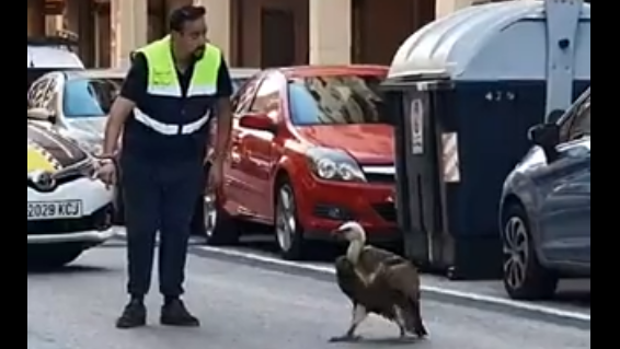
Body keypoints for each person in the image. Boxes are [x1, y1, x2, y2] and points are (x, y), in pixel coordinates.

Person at [96, 5, 233, 329]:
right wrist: (107, 159)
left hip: (185, 161)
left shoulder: (213, 60)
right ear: (176, 35)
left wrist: (219, 159)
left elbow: (224, 111)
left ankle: (173, 301)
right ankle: (136, 301)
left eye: (203, 33)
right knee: (142, 231)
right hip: (143, 160)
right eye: (194, 35)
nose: (201, 41)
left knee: (177, 230)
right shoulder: (147, 61)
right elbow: (118, 114)